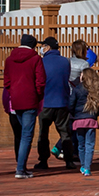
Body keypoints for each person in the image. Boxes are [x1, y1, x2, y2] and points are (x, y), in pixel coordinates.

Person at [1, 34, 47, 179]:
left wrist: (13, 92)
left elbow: (7, 81)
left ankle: (21, 167)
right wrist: (37, 95)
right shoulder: (36, 59)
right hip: (30, 99)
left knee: (22, 134)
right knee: (27, 135)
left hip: (15, 99)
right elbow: (41, 81)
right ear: (33, 45)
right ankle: (20, 169)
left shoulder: (9, 60)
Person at [37, 37, 73, 171]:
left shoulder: (41, 62)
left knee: (43, 133)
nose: (42, 48)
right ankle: (69, 160)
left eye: (43, 46)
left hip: (45, 102)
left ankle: (43, 160)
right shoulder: (65, 62)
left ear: (48, 47)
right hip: (62, 102)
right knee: (65, 133)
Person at [70, 64, 99, 176]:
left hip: (78, 120)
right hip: (91, 120)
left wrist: (74, 114)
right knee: (90, 145)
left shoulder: (77, 89)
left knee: (81, 145)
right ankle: (87, 167)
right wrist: (95, 114)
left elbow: (70, 104)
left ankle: (83, 165)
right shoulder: (96, 90)